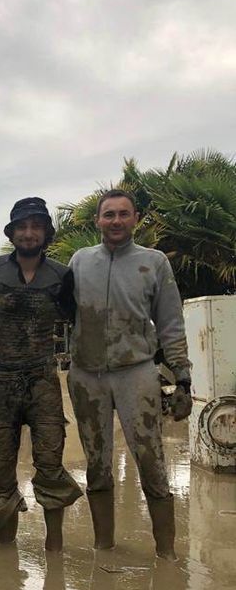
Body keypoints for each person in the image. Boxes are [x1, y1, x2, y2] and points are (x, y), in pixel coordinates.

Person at [0, 197, 82, 551]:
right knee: (2, 469)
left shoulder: (61, 274)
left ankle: (54, 549)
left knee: (51, 463)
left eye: (36, 226)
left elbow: (78, 319)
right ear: (11, 233)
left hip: (42, 380)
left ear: (46, 233)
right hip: (1, 381)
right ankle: (3, 556)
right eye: (22, 226)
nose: (28, 233)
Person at [67, 189, 191, 560]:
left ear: (136, 218)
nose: (116, 221)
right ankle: (104, 545)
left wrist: (182, 378)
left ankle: (165, 553)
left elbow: (170, 322)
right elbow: (57, 311)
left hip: (136, 371)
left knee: (150, 459)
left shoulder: (153, 263)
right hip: (86, 374)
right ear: (98, 221)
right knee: (96, 464)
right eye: (109, 215)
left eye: (123, 214)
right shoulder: (79, 261)